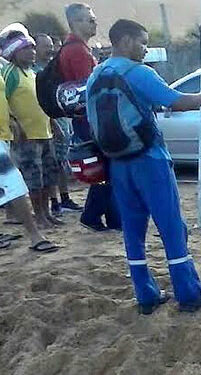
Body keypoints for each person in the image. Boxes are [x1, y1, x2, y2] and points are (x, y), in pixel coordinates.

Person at [87, 19, 201, 314]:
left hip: (118, 164)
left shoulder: (95, 75)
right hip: (150, 160)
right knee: (171, 227)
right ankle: (188, 293)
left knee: (133, 232)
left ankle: (145, 294)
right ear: (124, 41)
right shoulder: (138, 73)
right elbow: (179, 101)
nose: (146, 49)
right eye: (142, 42)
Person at [59, 3, 120, 231]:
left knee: (105, 170)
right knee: (106, 170)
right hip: (90, 120)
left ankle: (108, 217)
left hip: (87, 119)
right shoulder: (76, 51)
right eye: (89, 20)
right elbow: (90, 90)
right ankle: (94, 215)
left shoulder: (77, 48)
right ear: (75, 22)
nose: (94, 23)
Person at [1, 31, 62, 229]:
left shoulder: (33, 73)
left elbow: (42, 102)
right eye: (26, 49)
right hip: (27, 137)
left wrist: (54, 122)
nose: (32, 52)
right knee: (33, 180)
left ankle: (46, 213)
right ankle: (39, 217)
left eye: (33, 48)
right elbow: (4, 101)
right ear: (15, 53)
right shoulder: (11, 73)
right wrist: (13, 121)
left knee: (47, 177)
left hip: (45, 133)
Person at [0, 71, 58, 252]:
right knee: (14, 184)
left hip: (4, 134)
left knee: (12, 184)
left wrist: (11, 119)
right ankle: (34, 235)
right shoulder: (10, 70)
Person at [33, 33, 82, 216]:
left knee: (61, 162)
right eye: (45, 46)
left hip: (61, 122)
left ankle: (65, 198)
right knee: (52, 165)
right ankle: (54, 202)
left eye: (50, 45)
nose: (50, 49)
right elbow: (40, 103)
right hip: (49, 125)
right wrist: (54, 124)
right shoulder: (37, 73)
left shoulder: (51, 68)